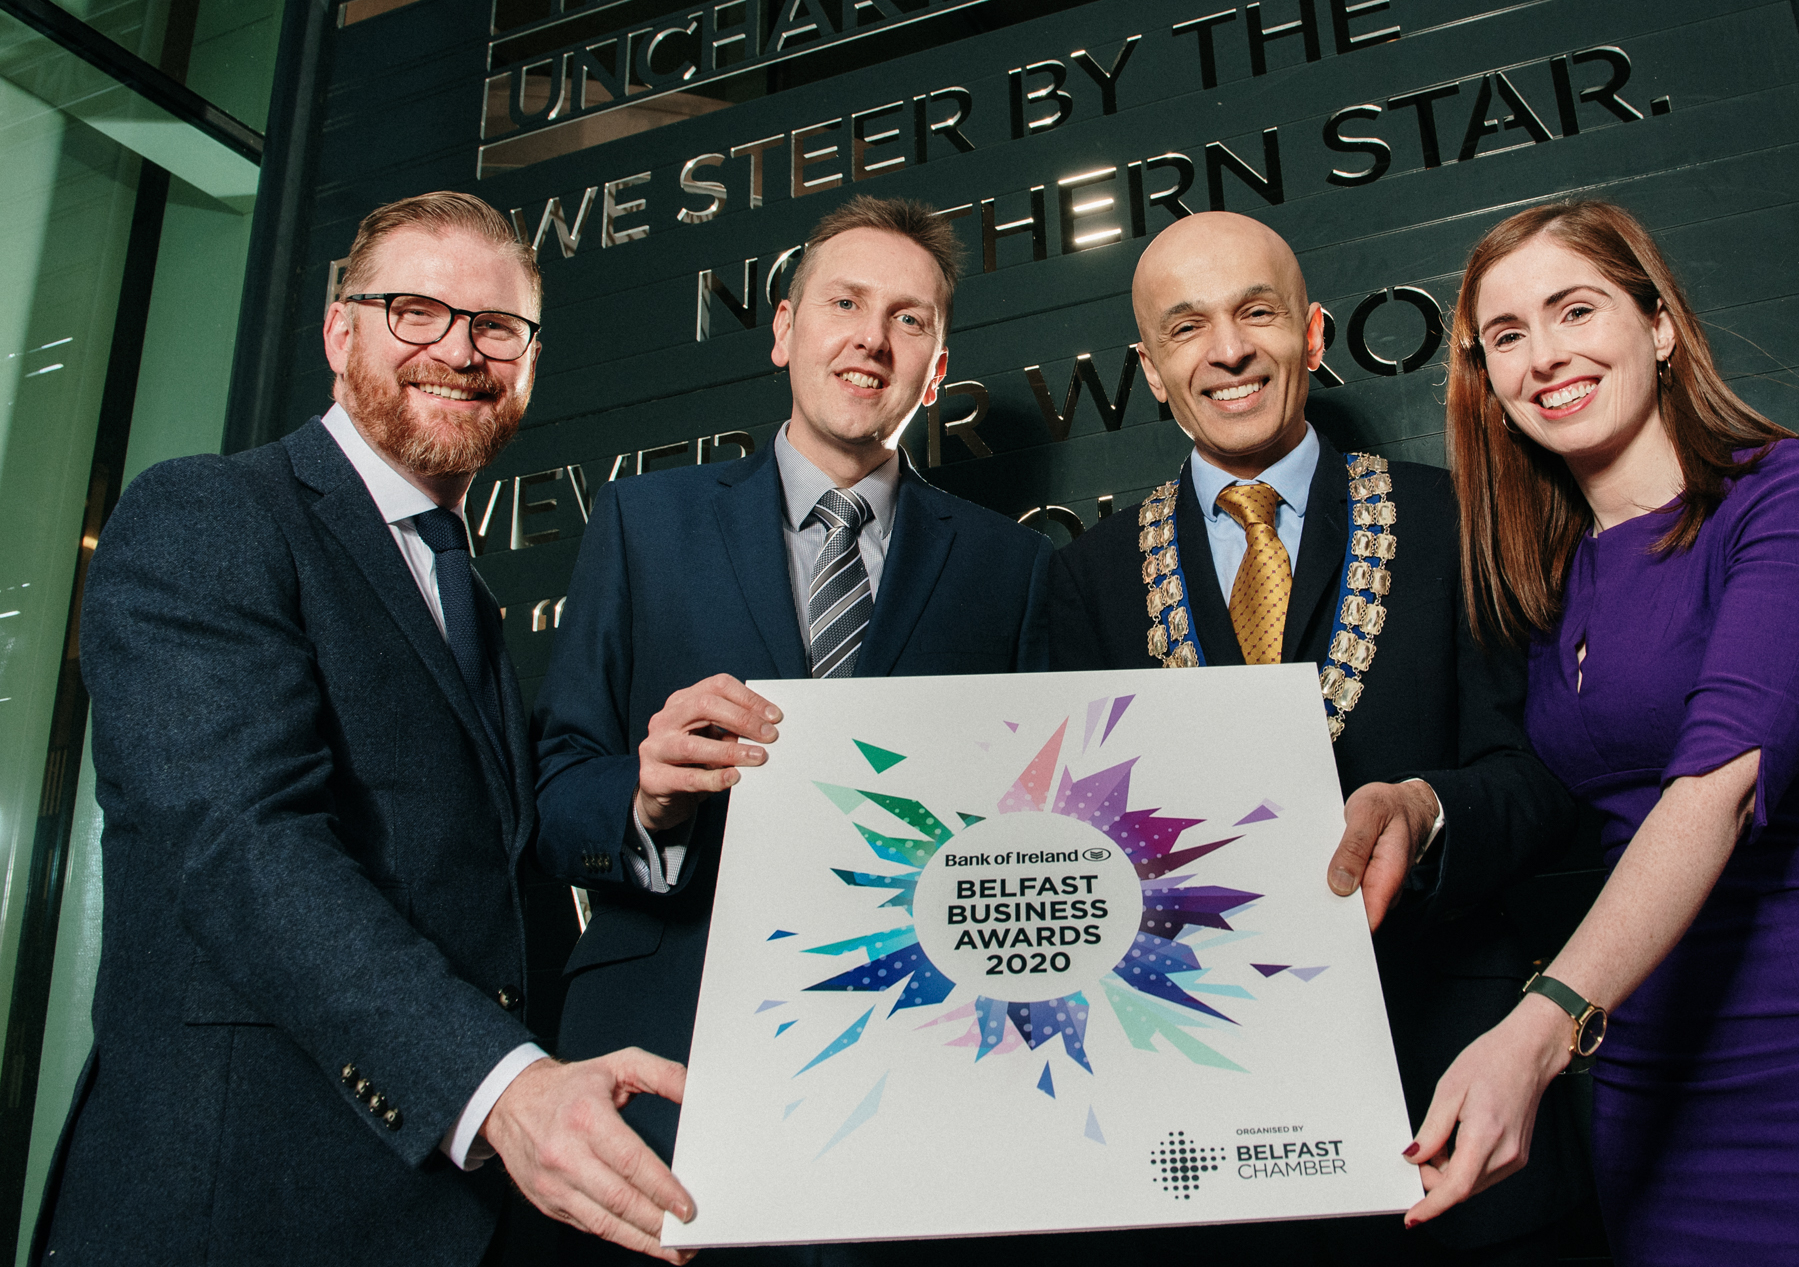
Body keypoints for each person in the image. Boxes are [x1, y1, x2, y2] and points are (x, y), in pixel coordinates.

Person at [41, 192, 700, 1267]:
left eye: (497, 326)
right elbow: (244, 845)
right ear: (339, 332)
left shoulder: (462, 590)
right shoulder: (210, 515)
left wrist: (638, 799)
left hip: (450, 1217)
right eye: (413, 310)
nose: (459, 349)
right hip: (245, 1208)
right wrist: (501, 1087)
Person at [1405, 199, 1799, 1263]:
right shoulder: (1546, 578)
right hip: (1654, 1079)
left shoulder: (1781, 494)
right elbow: (1537, 792)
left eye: (1574, 308)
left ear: (1657, 325)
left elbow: (1711, 783)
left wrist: (1538, 1025)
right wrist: (1414, 805)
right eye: (1506, 335)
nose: (1544, 355)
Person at [1043, 210, 1585, 1267]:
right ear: (1151, 368)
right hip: (1199, 1131)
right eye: (1185, 326)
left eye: (1256, 312)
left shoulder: (1460, 517)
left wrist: (1426, 811)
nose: (1228, 349)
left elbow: (1541, 779)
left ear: (1313, 331)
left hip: (1448, 1092)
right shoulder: (1087, 579)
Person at [533, 194, 1052, 1264]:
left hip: (925, 1075)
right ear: (783, 329)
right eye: (845, 302)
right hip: (664, 1052)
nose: (871, 335)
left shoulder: (1014, 568)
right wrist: (643, 796)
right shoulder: (642, 523)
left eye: (908, 319)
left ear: (937, 366)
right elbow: (553, 791)